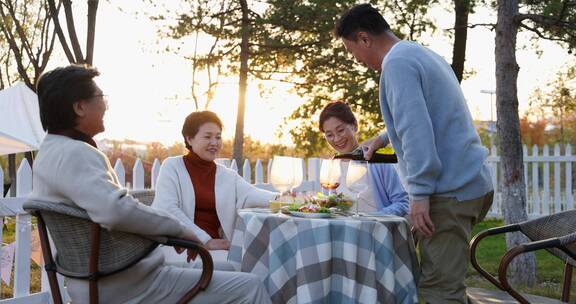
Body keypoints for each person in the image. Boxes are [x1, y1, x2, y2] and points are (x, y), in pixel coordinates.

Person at [29, 64, 271, 304]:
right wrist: (181, 231)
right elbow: (116, 210)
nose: (105, 105)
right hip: (126, 283)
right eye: (101, 97)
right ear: (80, 107)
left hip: (103, 278)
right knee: (252, 286)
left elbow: (113, 206)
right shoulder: (75, 153)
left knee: (229, 269)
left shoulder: (51, 152)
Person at [335, 4, 494, 304]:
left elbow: (415, 132)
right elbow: (429, 114)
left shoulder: (396, 65)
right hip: (471, 183)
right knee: (443, 279)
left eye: (351, 50)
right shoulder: (419, 53)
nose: (355, 59)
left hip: (449, 193)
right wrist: (383, 137)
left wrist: (419, 195)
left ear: (364, 38)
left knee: (440, 292)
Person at [152, 111, 278, 267]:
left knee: (264, 262)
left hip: (217, 249)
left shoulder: (226, 175)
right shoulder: (172, 166)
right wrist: (205, 240)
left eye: (218, 137)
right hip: (180, 247)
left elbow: (252, 194)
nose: (214, 142)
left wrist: (286, 199)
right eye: (207, 136)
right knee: (250, 270)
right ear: (189, 139)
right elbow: (167, 208)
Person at [318, 101, 408, 216]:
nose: (336, 139)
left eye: (340, 130)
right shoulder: (331, 169)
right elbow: (327, 208)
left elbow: (403, 203)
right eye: (329, 135)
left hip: (378, 230)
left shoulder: (377, 162)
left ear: (354, 126)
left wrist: (372, 218)